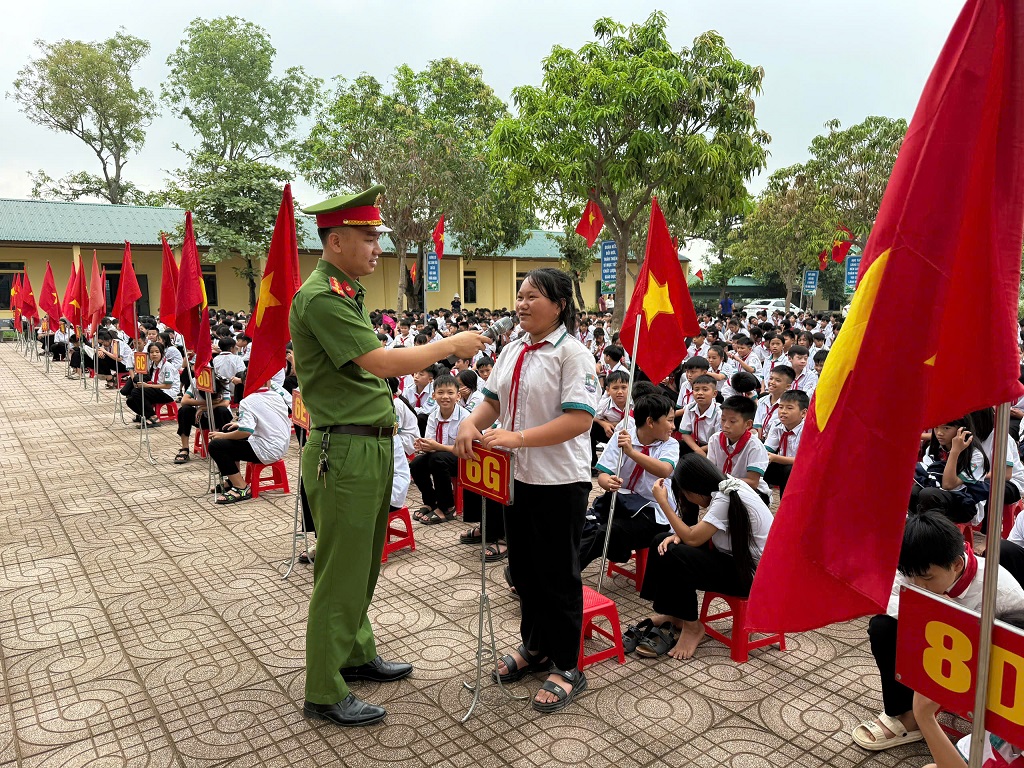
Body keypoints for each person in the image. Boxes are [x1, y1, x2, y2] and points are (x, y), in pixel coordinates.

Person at [289, 184, 486, 727]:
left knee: (363, 564)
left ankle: (354, 652)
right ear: (335, 240)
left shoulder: (345, 292)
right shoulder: (322, 298)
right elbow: (379, 362)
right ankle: (324, 687)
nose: (377, 247)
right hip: (344, 449)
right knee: (340, 571)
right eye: (368, 237)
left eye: (378, 237)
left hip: (367, 446)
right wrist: (448, 346)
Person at [454, 267, 597, 714]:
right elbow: (494, 402)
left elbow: (580, 419)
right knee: (525, 571)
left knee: (558, 574)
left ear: (559, 304)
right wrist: (469, 421)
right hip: (516, 479)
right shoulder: (513, 348)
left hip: (558, 480)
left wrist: (516, 438)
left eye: (532, 296)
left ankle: (568, 665)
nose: (521, 304)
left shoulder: (572, 354)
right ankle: (534, 648)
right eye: (519, 296)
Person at [851, 510, 1024, 751]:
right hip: (938, 642)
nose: (919, 585)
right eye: (912, 578)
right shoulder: (914, 569)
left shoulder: (1002, 592)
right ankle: (906, 715)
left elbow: (1013, 649)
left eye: (928, 578)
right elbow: (887, 600)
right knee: (882, 627)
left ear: (956, 564)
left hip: (983, 660)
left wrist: (957, 619)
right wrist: (936, 611)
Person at [631, 454, 773, 659]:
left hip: (751, 576)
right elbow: (698, 533)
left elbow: (694, 538)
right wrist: (680, 535)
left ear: (692, 490)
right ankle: (674, 614)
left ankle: (692, 626)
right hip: (736, 561)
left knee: (678, 555)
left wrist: (663, 503)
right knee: (662, 540)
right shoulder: (726, 486)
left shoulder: (725, 496)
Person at [579, 392, 677, 571]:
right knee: (581, 524)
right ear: (650, 422)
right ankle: (535, 575)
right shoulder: (622, 436)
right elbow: (602, 475)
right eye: (669, 420)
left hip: (653, 515)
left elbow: (664, 469)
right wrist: (609, 482)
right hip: (620, 506)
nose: (673, 426)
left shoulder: (670, 444)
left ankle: (557, 582)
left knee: (605, 532)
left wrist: (632, 452)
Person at [208, 381, 292, 504]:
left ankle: (241, 487)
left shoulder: (248, 401)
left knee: (216, 446)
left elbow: (246, 432)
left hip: (266, 450)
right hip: (281, 445)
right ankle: (232, 480)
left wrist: (222, 436)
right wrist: (238, 425)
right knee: (232, 430)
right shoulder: (275, 394)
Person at [409, 374, 469, 524]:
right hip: (441, 457)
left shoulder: (465, 417)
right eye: (440, 393)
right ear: (434, 395)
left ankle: (447, 508)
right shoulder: (433, 416)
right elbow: (433, 445)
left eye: (450, 393)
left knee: (437, 460)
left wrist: (436, 447)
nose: (445, 397)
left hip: (464, 459)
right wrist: (424, 446)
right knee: (416, 463)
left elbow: (464, 449)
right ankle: (431, 502)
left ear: (458, 396)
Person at [707, 395, 771, 504]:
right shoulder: (715, 439)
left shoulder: (754, 446)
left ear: (748, 424)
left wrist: (723, 481)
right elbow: (710, 470)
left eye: (732, 421)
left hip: (750, 491)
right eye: (723, 420)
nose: (725, 425)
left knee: (732, 502)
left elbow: (753, 482)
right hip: (721, 486)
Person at [763, 390, 808, 496]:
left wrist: (774, 457)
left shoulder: (807, 430)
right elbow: (768, 448)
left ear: (803, 413)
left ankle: (785, 504)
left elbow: (803, 460)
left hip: (802, 470)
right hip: (782, 465)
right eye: (781, 407)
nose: (783, 411)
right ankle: (762, 500)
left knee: (790, 470)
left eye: (789, 408)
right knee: (759, 466)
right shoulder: (777, 425)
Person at [124, 342, 179, 426]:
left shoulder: (167, 366)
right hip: (157, 390)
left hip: (167, 392)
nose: (154, 354)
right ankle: (147, 415)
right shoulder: (153, 365)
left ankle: (153, 417)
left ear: (162, 353)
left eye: (157, 352)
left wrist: (147, 386)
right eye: (152, 352)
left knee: (137, 392)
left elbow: (168, 386)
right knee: (130, 401)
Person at [678, 374, 720, 456]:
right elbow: (685, 433)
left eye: (705, 390)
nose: (700, 393)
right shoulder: (690, 408)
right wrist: (697, 450)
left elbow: (719, 440)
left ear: (714, 394)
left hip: (714, 446)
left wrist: (700, 451)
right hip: (696, 445)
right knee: (678, 445)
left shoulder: (719, 412)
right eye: (696, 390)